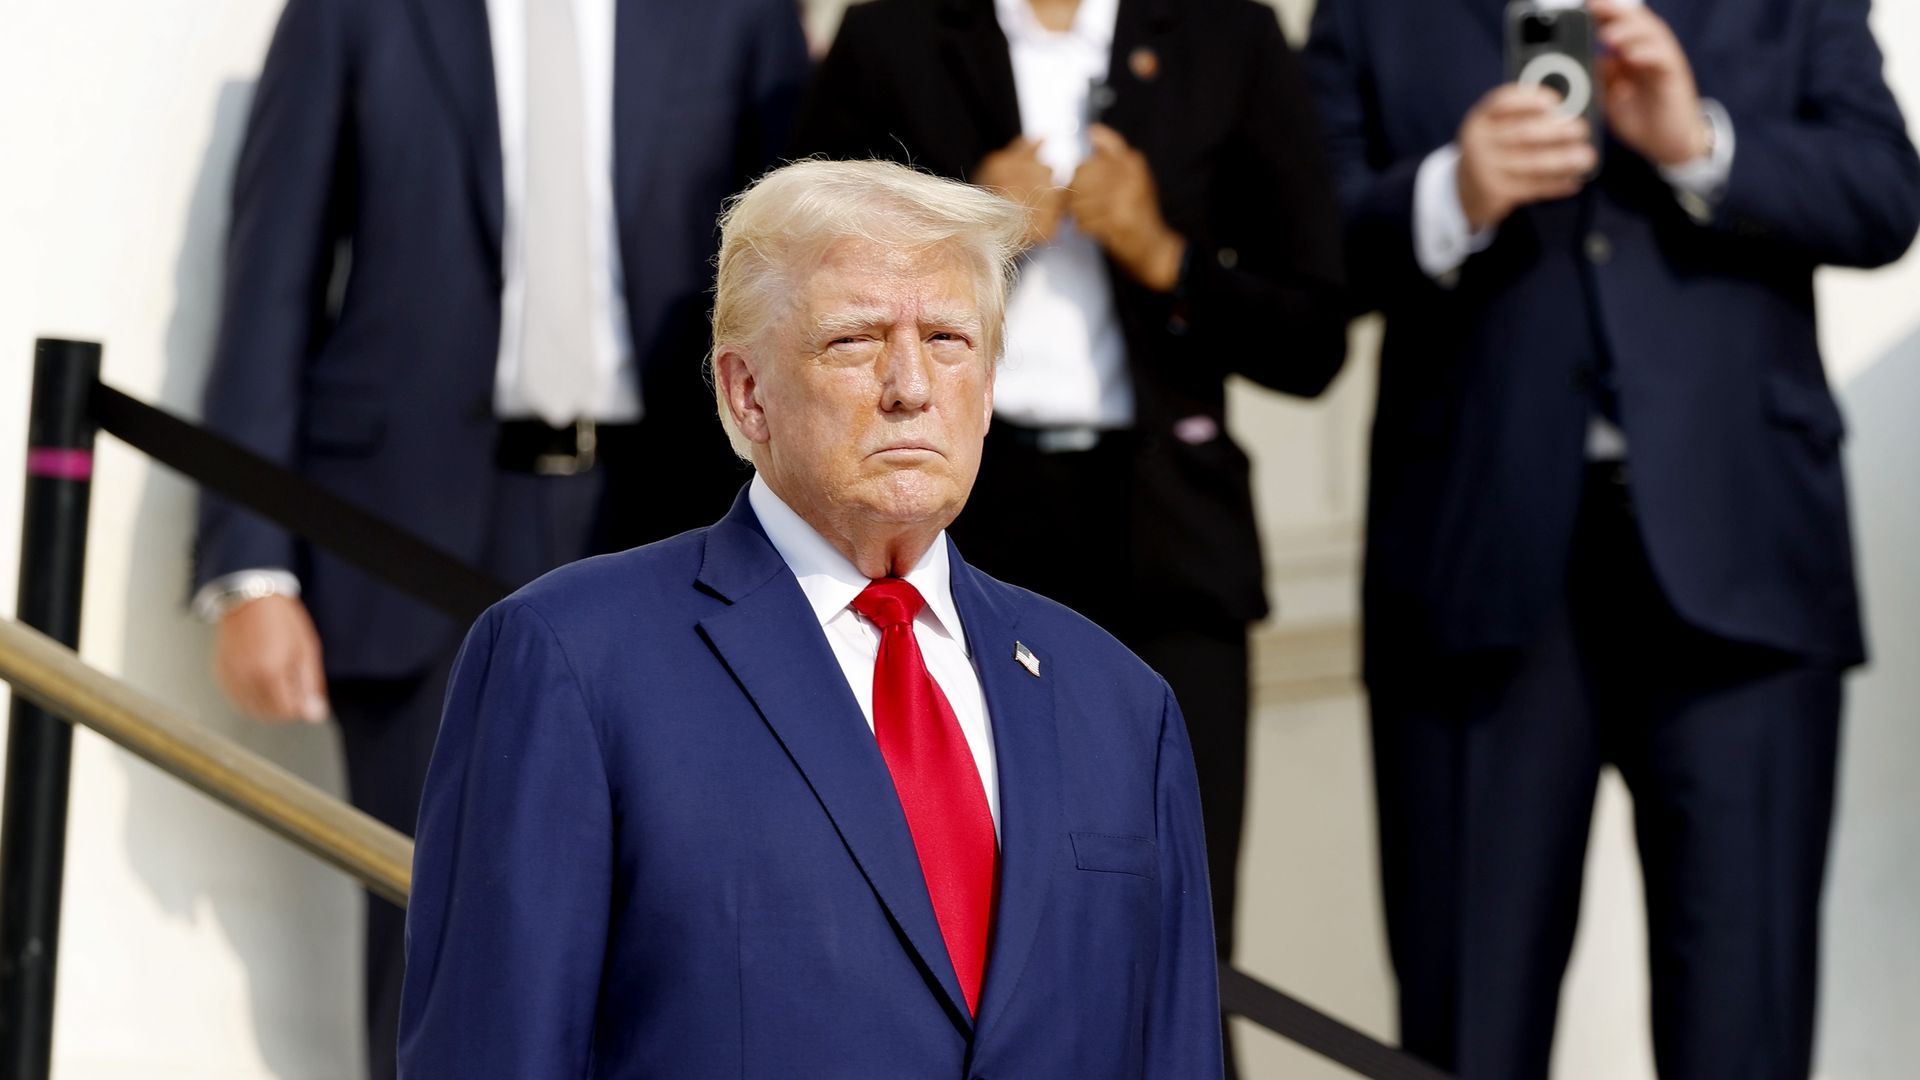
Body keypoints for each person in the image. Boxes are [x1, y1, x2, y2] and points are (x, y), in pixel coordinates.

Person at [398, 159, 1224, 1078]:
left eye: (948, 338)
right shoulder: (572, 660)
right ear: (748, 393)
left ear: (988, 386)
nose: (910, 385)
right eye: (856, 341)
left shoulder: (1120, 704)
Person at [1302, 0, 1920, 1076]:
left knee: (1747, 1033)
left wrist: (1700, 144)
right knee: (1467, 1033)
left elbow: (1883, 194)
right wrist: (1451, 194)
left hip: (1746, 556)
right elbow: (1297, 240)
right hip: (1468, 565)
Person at [189, 1, 807, 1075]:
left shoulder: (740, 14)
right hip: (408, 535)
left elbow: (805, 275)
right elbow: (271, 275)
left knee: (689, 928)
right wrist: (249, 562)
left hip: (674, 518)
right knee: (435, 932)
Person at [789, 4, 1348, 1052]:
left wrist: (1165, 254)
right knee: (948, 934)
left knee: (1182, 937)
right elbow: (791, 294)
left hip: (1171, 548)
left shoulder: (1226, 33)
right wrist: (965, 238)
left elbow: (1314, 335)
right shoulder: (891, 35)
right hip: (948, 546)